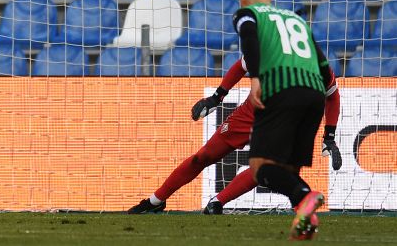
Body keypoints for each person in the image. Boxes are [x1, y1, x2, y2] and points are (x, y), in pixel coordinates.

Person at [127, 56, 341, 216]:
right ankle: (156, 200)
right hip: (247, 116)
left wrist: (329, 135)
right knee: (202, 158)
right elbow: (240, 66)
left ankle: (217, 203)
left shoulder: (319, 67)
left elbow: (332, 96)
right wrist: (216, 97)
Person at [233, 0, 332, 240]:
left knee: (260, 168)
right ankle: (306, 220)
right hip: (315, 93)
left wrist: (254, 78)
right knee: (288, 170)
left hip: (281, 90)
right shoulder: (298, 20)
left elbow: (249, 37)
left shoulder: (247, 13)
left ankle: (307, 196)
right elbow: (324, 68)